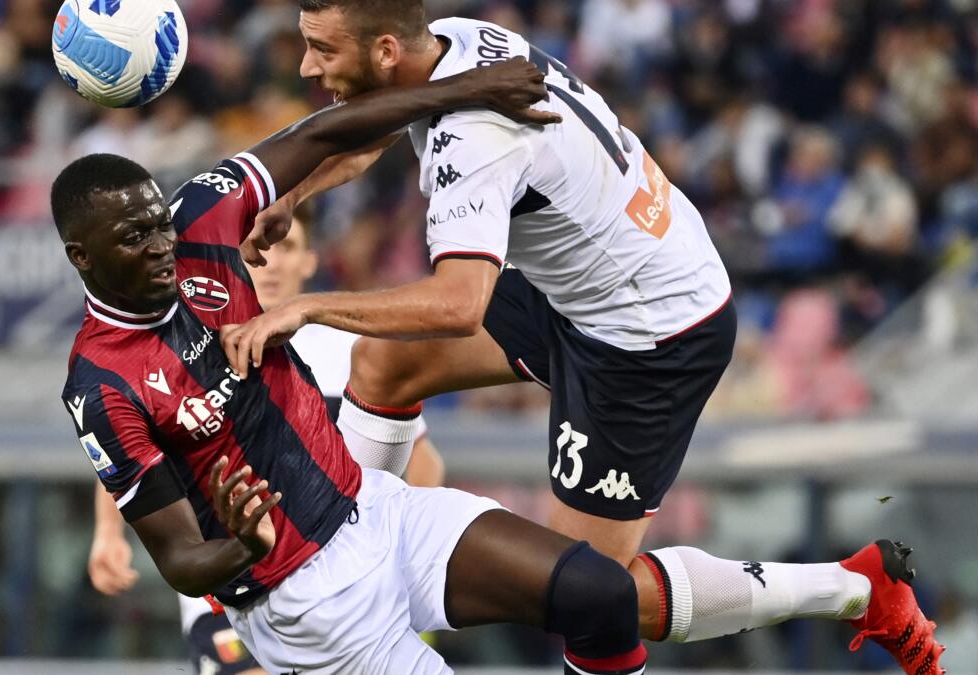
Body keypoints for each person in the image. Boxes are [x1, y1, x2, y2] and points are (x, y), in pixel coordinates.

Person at [217, 1, 945, 671]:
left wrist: (305, 309)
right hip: (586, 283)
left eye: (320, 48)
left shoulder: (475, 140)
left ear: (383, 49)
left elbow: (456, 305)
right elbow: (383, 118)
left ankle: (853, 587)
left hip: (648, 334)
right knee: (382, 367)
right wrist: (298, 196)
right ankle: (348, 577)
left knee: (587, 592)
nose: (307, 66)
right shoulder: (456, 40)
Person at [56, 60, 665, 675]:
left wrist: (461, 91)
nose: (162, 246)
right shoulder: (100, 385)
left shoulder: (200, 221)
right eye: (135, 238)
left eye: (160, 224)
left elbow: (321, 135)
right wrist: (240, 546)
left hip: (377, 509)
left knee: (600, 595)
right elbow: (180, 559)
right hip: (306, 602)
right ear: (82, 256)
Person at [85, 204, 444, 674]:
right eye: (259, 250)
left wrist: (394, 545)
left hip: (340, 576)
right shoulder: (190, 340)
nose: (270, 264)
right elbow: (132, 452)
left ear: (310, 261)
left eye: (287, 248)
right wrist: (108, 533)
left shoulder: (346, 346)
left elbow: (423, 460)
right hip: (234, 587)